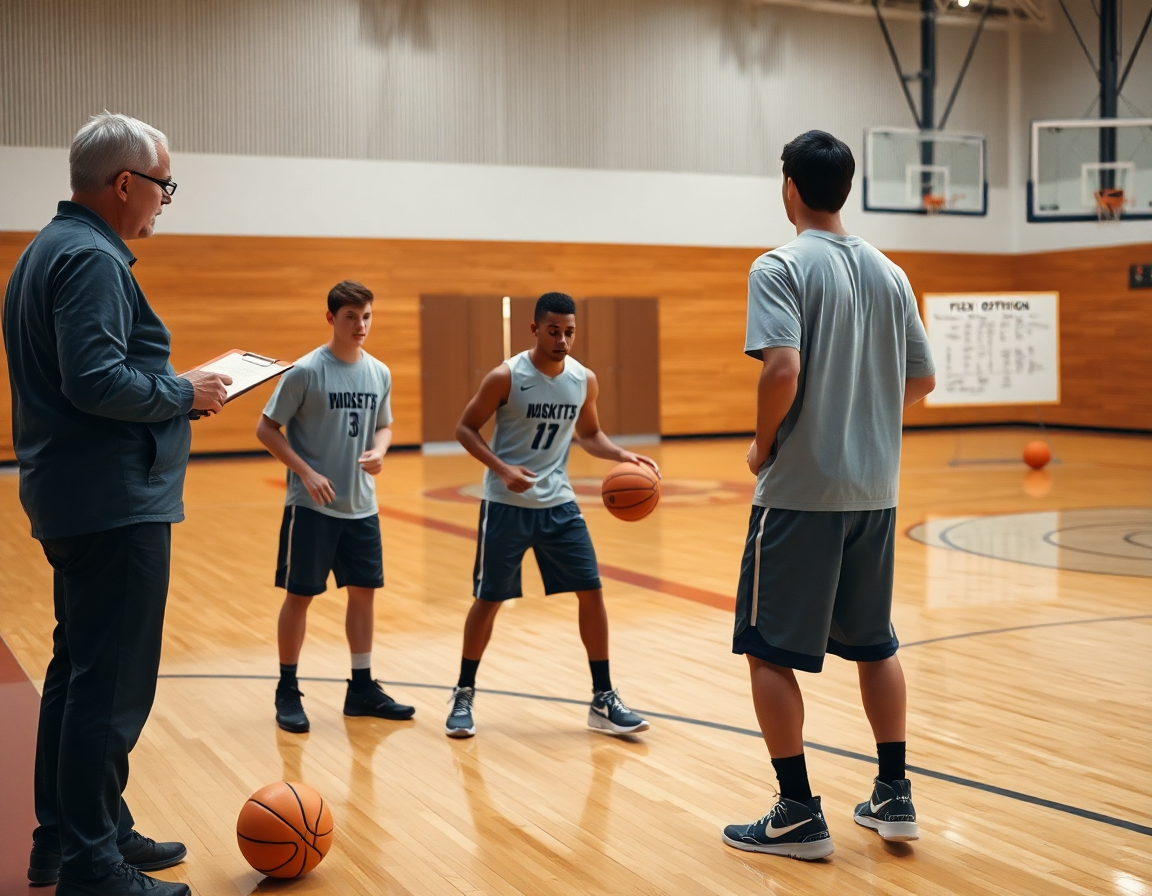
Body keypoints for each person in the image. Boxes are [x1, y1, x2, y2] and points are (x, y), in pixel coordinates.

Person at [3, 113, 232, 896]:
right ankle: (94, 866)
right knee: (108, 687)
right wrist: (183, 391)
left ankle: (69, 839)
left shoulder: (45, 250)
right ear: (125, 183)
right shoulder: (91, 259)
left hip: (79, 496)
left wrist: (174, 394)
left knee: (77, 675)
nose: (167, 200)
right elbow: (95, 380)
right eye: (164, 185)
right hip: (113, 502)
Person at [721, 131, 936, 861]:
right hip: (875, 493)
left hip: (801, 493)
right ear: (847, 187)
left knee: (766, 650)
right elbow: (921, 381)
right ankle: (895, 795)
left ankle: (796, 812)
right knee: (875, 644)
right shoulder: (889, 272)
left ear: (789, 187)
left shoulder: (779, 265)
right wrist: (864, 416)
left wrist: (761, 442)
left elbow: (781, 369)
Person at [444, 291, 658, 739]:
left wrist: (624, 456)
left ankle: (603, 697)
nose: (562, 339)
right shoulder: (506, 376)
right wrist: (501, 469)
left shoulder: (583, 380)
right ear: (534, 329)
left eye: (569, 332)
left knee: (592, 592)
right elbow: (465, 428)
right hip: (506, 506)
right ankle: (464, 692)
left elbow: (591, 434)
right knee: (489, 600)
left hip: (559, 504)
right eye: (553, 331)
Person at [256, 280, 415, 733]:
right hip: (311, 506)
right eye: (350, 317)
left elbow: (384, 426)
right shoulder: (306, 371)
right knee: (300, 595)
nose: (360, 325)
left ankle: (361, 687)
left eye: (366, 316)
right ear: (331, 318)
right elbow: (267, 429)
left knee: (363, 595)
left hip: (362, 506)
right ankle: (287, 689)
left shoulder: (379, 372)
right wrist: (305, 471)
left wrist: (381, 450)